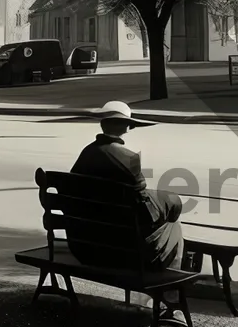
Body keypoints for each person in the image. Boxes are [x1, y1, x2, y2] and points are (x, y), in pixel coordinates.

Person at [71, 100, 184, 270]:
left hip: (84, 247)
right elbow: (147, 209)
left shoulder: (87, 153)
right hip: (122, 253)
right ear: (126, 127)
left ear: (102, 124)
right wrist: (170, 201)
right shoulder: (128, 158)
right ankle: (174, 280)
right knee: (173, 223)